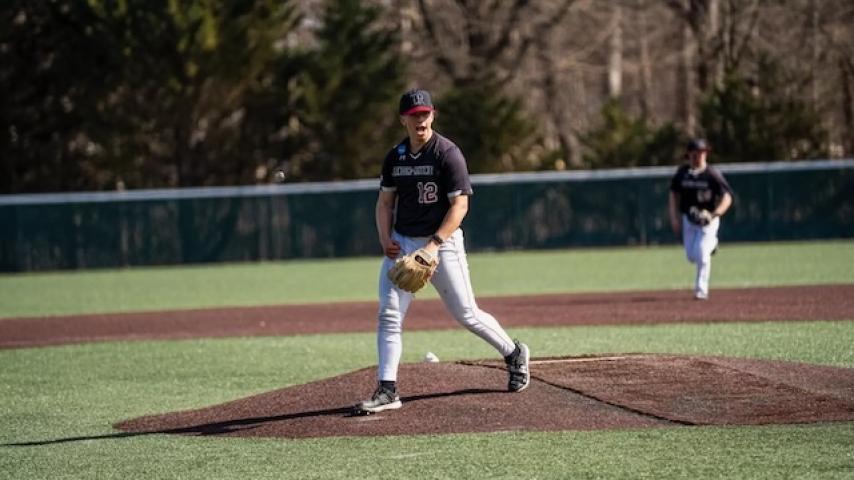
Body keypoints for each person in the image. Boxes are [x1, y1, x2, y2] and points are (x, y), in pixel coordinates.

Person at [357, 88, 530, 413]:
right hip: (403, 241)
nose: (420, 120)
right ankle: (387, 389)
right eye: (413, 115)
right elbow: (384, 203)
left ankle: (513, 352)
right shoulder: (395, 157)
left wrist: (433, 246)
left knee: (466, 313)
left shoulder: (447, 153)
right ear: (403, 120)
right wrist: (384, 238)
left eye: (425, 114)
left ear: (433, 115)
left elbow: (460, 206)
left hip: (443, 242)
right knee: (389, 314)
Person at [668, 138, 734, 300]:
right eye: (695, 153)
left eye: (702, 153)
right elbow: (673, 194)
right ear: (689, 154)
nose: (698, 156)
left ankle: (701, 290)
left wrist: (714, 214)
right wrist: (674, 217)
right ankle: (713, 245)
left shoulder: (712, 174)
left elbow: (727, 197)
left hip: (708, 221)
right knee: (692, 256)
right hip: (689, 220)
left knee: (702, 255)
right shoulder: (683, 173)